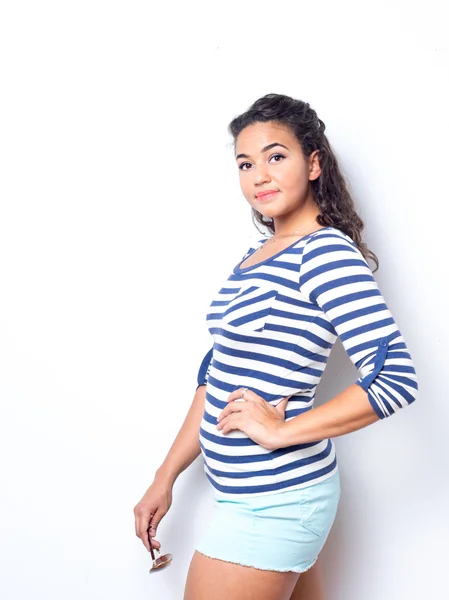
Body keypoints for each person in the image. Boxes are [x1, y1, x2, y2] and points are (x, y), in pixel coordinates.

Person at [133, 93, 419, 600]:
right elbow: (215, 378)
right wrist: (165, 476)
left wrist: (282, 432)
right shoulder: (255, 255)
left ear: (313, 164)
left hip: (279, 500)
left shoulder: (325, 252)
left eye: (275, 156)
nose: (259, 175)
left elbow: (394, 377)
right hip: (250, 497)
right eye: (246, 163)